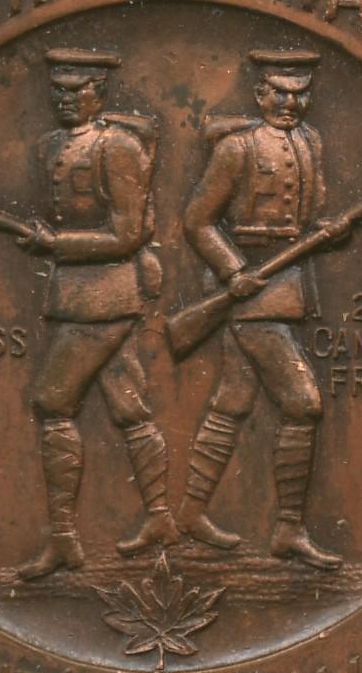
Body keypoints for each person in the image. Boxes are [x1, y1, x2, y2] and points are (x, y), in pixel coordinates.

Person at [176, 48, 341, 569]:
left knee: (234, 399)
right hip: (249, 286)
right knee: (303, 404)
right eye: (280, 93)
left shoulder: (311, 141)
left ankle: (190, 513)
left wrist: (328, 232)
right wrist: (232, 273)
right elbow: (197, 221)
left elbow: (309, 216)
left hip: (286, 280)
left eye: (300, 94)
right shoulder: (236, 148)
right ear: (260, 93)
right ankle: (287, 529)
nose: (290, 103)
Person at [17, 47, 176, 580]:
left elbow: (127, 235)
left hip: (105, 298)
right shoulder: (49, 146)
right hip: (74, 296)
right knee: (128, 407)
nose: (64, 99)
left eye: (76, 90)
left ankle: (65, 540)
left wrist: (55, 244)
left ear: (98, 93)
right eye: (57, 90)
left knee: (52, 402)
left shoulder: (118, 147)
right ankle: (160, 518)